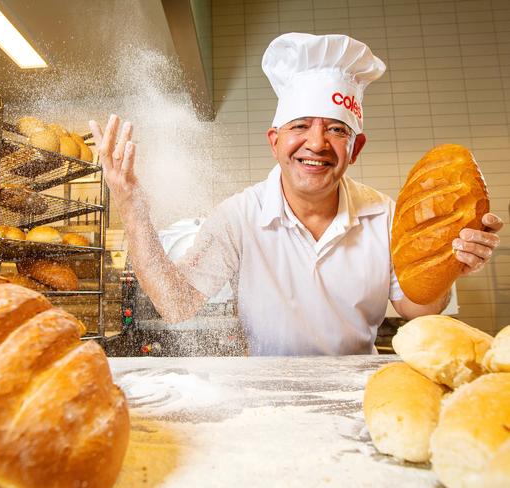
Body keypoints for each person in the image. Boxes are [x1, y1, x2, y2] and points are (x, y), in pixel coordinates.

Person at [88, 33, 503, 355]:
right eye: (300, 125)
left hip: (356, 395)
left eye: (337, 130)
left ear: (355, 149)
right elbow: (176, 306)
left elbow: (417, 309)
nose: (317, 143)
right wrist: (132, 209)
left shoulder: (385, 215)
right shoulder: (238, 217)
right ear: (275, 141)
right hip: (265, 401)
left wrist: (449, 266)